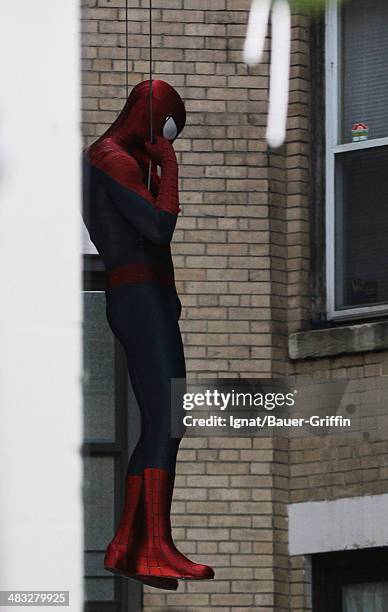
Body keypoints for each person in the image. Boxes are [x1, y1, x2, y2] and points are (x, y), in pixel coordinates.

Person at [82, 80, 214, 590]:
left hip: (144, 296)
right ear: (152, 116)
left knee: (164, 420)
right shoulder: (110, 157)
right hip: (139, 296)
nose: (168, 142)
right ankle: (151, 544)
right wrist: (170, 170)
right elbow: (159, 229)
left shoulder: (115, 159)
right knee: (165, 421)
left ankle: (128, 543)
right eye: (168, 129)